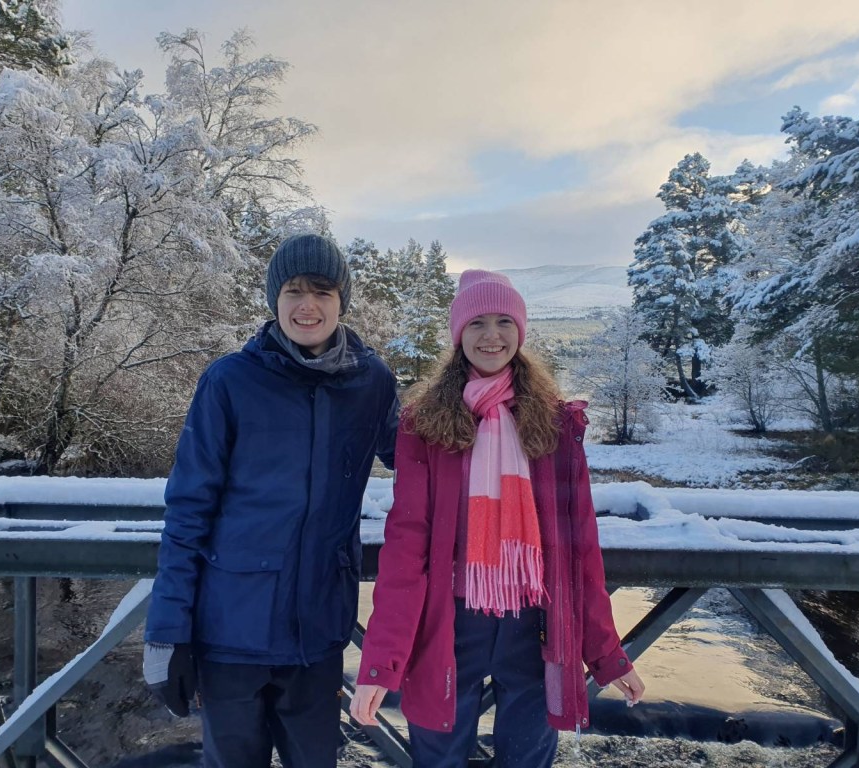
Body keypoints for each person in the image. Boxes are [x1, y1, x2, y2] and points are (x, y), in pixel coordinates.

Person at [350, 270, 644, 767]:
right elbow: (406, 546)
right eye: (478, 323)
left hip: (536, 627)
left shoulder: (554, 422)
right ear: (458, 335)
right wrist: (379, 666)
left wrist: (606, 653)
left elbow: (579, 548)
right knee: (438, 759)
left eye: (504, 321)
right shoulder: (425, 424)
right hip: (448, 625)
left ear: (521, 331)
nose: (492, 335)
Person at [142, 233, 399, 768]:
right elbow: (188, 511)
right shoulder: (230, 382)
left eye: (323, 291)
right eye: (293, 290)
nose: (308, 305)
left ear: (342, 301)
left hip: (320, 633)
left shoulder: (370, 382)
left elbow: (425, 460)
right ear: (273, 300)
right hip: (231, 633)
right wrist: (167, 632)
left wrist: (502, 406)